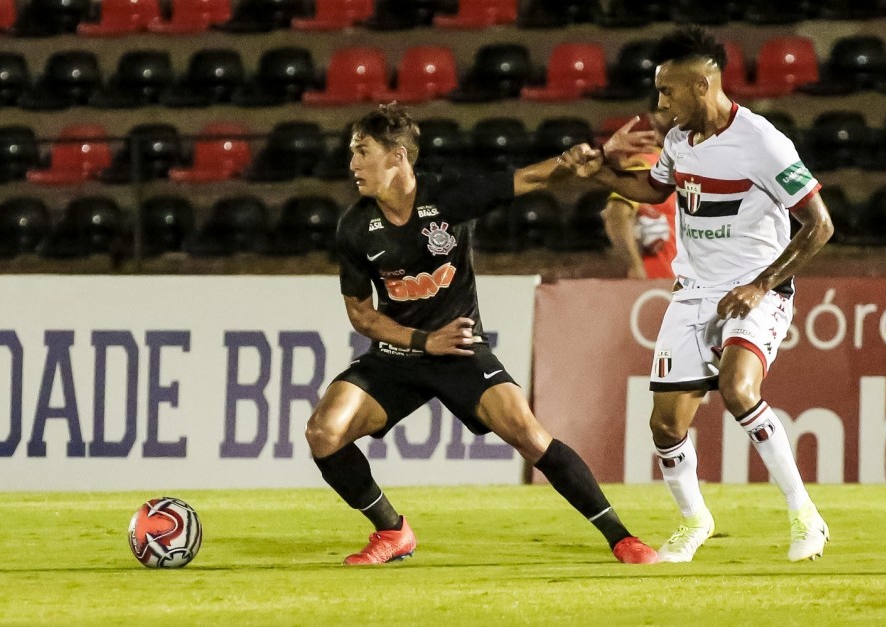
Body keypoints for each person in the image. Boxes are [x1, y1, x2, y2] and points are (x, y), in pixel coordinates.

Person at [305, 103, 657, 566]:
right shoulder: (355, 226)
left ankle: (622, 538)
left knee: (530, 436)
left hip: (460, 352)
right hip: (398, 353)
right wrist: (422, 341)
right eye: (353, 153)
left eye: (362, 152)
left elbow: (528, 179)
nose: (352, 164)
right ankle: (393, 532)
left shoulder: (448, 197)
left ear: (397, 158)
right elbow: (361, 314)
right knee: (323, 432)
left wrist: (584, 157)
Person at [564, 26, 834, 563]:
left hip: (757, 288)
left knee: (738, 388)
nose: (660, 103)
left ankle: (806, 515)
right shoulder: (679, 141)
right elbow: (654, 192)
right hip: (693, 291)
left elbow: (820, 224)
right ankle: (694, 521)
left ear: (703, 84)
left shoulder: (761, 141)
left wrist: (760, 285)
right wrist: (600, 174)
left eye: (668, 91)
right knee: (665, 424)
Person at [601, 102, 678, 279]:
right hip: (653, 289)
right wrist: (636, 268)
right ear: (652, 117)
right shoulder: (645, 164)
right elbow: (616, 214)